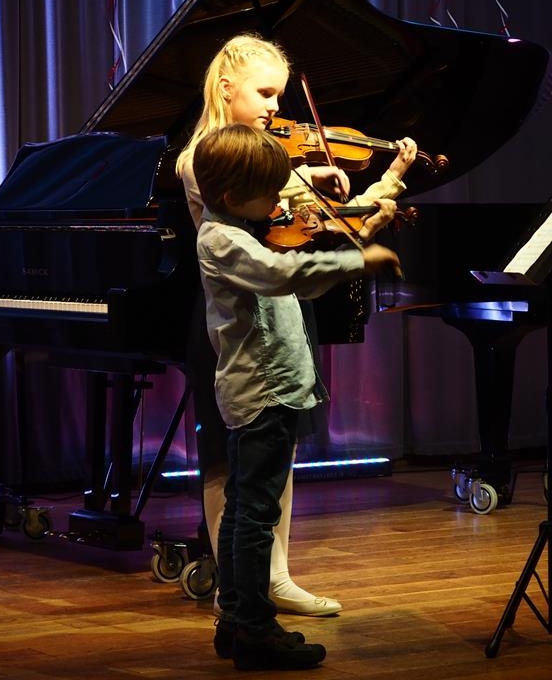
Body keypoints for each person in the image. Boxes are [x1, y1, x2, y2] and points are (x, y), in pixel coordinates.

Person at [176, 33, 417, 617]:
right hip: (237, 324)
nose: (276, 107)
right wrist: (306, 183)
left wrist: (368, 191)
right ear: (225, 88)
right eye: (264, 93)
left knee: (274, 459)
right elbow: (267, 218)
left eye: (280, 95)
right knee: (228, 464)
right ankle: (238, 590)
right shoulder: (203, 160)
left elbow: (302, 222)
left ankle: (275, 578)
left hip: (281, 310)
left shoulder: (274, 159)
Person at [192, 123, 402, 669]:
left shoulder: (242, 227)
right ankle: (255, 630)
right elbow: (283, 273)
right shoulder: (223, 240)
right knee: (255, 515)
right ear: (234, 197)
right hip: (262, 394)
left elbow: (299, 259)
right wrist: (357, 260)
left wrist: (369, 212)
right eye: (270, 193)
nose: (280, 202)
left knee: (244, 511)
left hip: (267, 391)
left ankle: (235, 620)